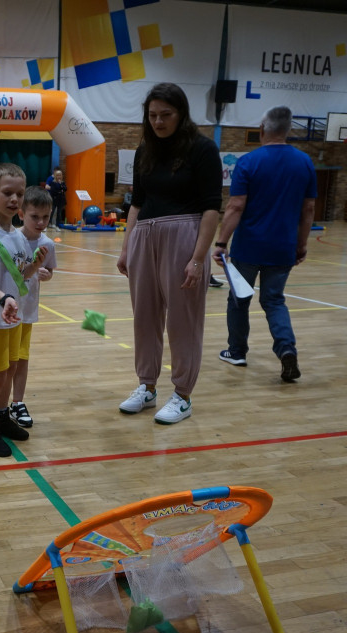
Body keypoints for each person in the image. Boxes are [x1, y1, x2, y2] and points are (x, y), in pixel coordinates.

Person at [116, 82, 222, 425]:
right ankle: (147, 386)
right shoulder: (144, 150)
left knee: (183, 321)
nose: (158, 122)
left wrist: (197, 257)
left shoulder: (203, 150)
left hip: (184, 235)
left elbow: (211, 209)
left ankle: (183, 395)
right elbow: (137, 203)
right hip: (144, 236)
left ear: (181, 114)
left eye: (166, 115)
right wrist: (126, 246)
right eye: (152, 115)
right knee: (144, 316)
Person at [211, 106, 317, 383]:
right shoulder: (305, 162)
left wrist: (221, 242)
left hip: (249, 247)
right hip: (283, 247)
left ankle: (237, 351)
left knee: (239, 300)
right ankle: (286, 349)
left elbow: (235, 206)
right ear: (288, 130)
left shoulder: (248, 162)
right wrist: (302, 244)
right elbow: (308, 210)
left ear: (262, 128)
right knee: (274, 300)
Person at [0, 164, 46, 456]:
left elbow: (21, 273)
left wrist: (36, 265)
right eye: (7, 193)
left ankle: (2, 417)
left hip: (14, 317)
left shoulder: (17, 236)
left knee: (11, 368)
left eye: (19, 193)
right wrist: (3, 299)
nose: (14, 199)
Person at [10, 186, 57, 428]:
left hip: (27, 312)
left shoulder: (48, 243)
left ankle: (17, 401)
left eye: (45, 217)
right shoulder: (12, 239)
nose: (40, 222)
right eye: (34, 216)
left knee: (21, 359)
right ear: (21, 214)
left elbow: (49, 272)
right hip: (5, 311)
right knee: (0, 361)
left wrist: (46, 275)